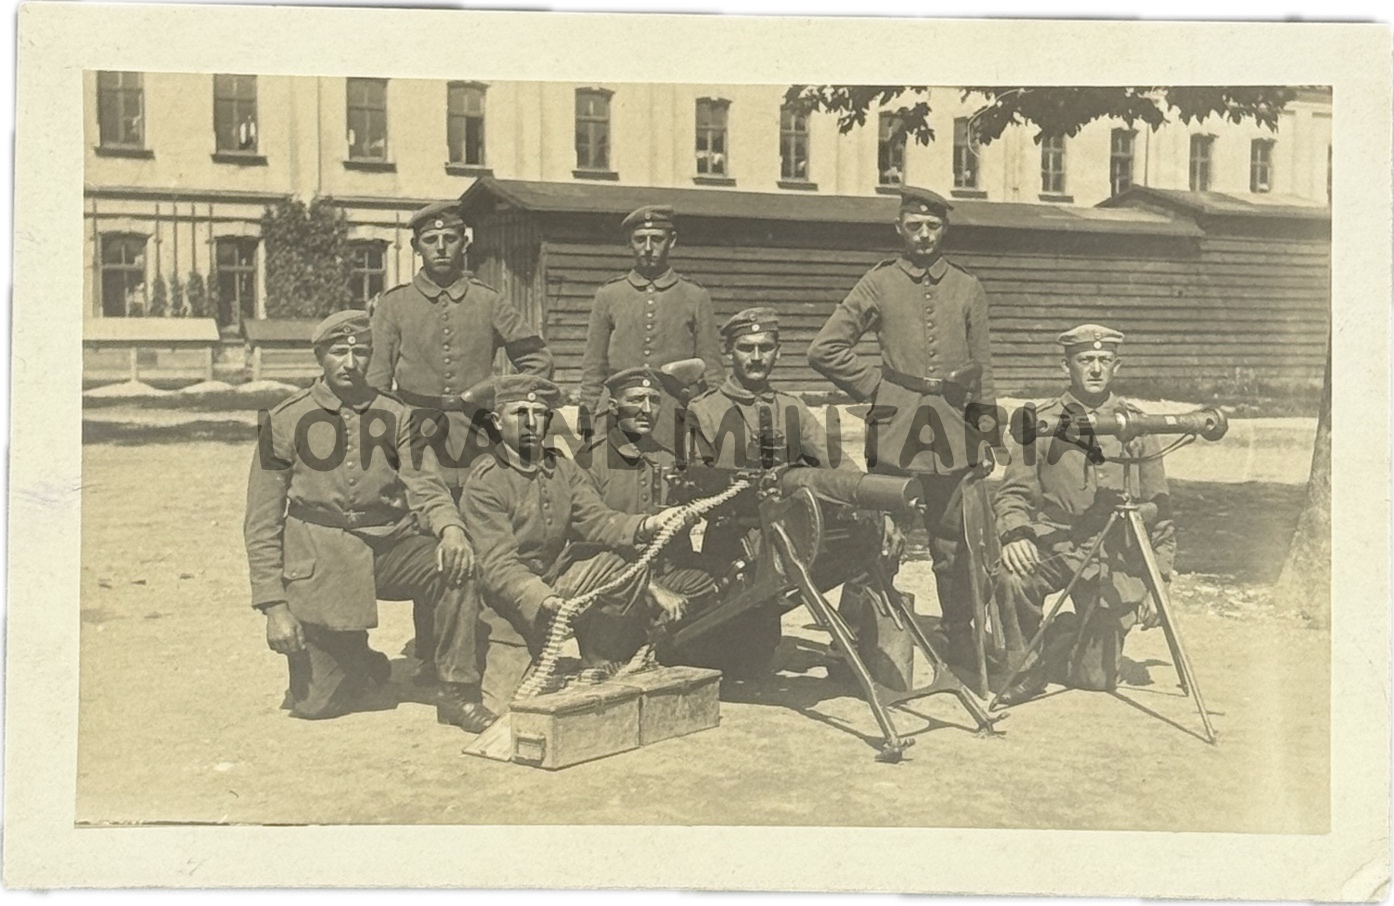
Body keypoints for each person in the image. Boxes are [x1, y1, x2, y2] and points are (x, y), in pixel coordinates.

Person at [243, 310, 493, 732]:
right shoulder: (284, 420)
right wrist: (274, 607)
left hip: (387, 547)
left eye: (359, 353)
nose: (349, 363)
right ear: (320, 357)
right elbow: (262, 522)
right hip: (322, 560)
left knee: (457, 567)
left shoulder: (395, 415)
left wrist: (451, 529)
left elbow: (426, 484)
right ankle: (357, 657)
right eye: (338, 352)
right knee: (318, 704)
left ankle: (456, 692)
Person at [807, 185, 1001, 664]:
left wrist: (986, 434)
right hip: (897, 431)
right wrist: (881, 389)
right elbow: (825, 348)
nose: (924, 236)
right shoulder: (879, 283)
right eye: (914, 226)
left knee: (955, 544)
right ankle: (853, 642)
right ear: (899, 229)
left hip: (955, 432)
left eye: (933, 226)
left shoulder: (967, 286)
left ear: (945, 230)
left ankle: (960, 638)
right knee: (878, 537)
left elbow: (983, 370)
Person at [366, 199, 553, 683]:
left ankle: (487, 650)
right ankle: (432, 655)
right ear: (416, 248)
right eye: (431, 240)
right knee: (429, 535)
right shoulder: (394, 305)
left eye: (450, 238)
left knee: (486, 532)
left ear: (463, 243)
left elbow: (536, 359)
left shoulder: (489, 301)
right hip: (417, 438)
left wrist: (497, 395)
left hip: (479, 436)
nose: (442, 247)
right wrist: (395, 433)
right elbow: (376, 384)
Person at [994, 324, 1176, 704]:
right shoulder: (1040, 422)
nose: (1095, 368)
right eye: (1085, 360)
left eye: (1104, 360)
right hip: (1057, 541)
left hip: (1113, 554)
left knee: (1095, 680)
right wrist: (1016, 533)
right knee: (1013, 576)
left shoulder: (1139, 425)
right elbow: (1013, 493)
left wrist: (1159, 581)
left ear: (1117, 366)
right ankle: (1024, 669)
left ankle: (1062, 636)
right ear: (1067, 367)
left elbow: (1160, 511)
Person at [458, 375, 684, 679]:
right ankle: (527, 647)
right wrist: (546, 601)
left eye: (539, 414)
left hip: (555, 584)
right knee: (509, 705)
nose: (531, 422)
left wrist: (649, 523)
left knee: (621, 565)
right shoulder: (486, 482)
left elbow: (597, 520)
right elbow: (497, 566)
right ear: (498, 422)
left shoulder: (562, 468)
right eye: (519, 413)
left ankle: (599, 652)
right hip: (504, 603)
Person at [577, 204, 725, 446]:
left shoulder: (695, 295)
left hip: (673, 416)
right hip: (619, 414)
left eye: (656, 239)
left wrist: (714, 419)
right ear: (629, 243)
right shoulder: (609, 294)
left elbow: (712, 370)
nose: (648, 248)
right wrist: (587, 422)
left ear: (672, 241)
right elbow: (593, 367)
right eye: (639, 239)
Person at [581, 366, 717, 624]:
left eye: (653, 400)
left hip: (663, 572)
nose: (646, 409)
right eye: (635, 400)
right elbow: (586, 540)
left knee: (722, 582)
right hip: (611, 579)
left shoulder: (667, 458)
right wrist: (650, 587)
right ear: (613, 406)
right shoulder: (592, 461)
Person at [688, 307, 846, 471]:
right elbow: (698, 482)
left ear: (777, 352)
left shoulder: (792, 408)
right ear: (729, 352)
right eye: (746, 348)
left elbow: (835, 462)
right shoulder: (703, 411)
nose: (756, 358)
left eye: (765, 348)